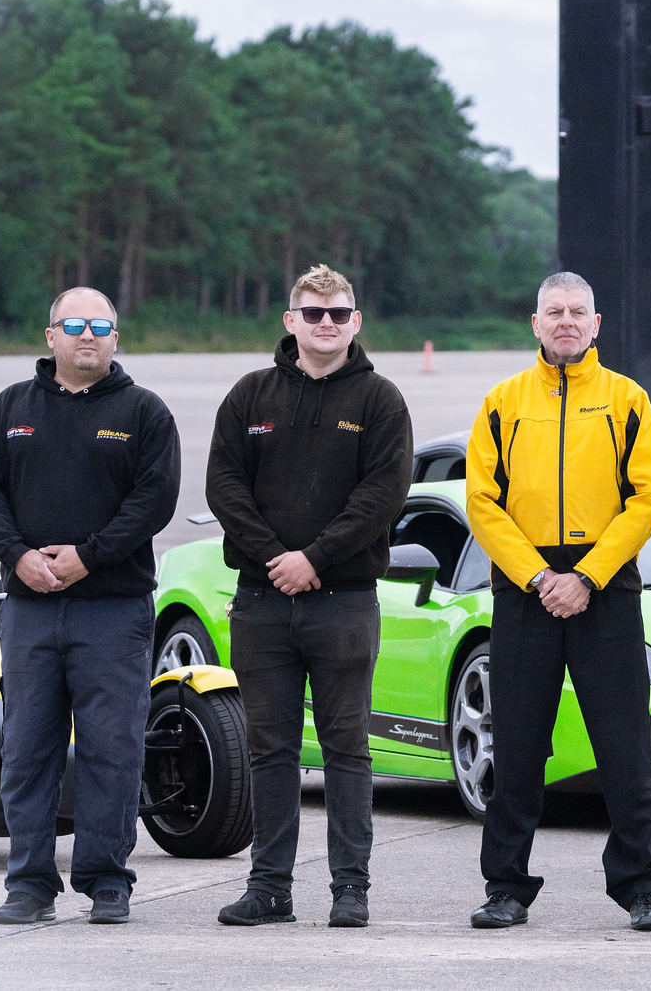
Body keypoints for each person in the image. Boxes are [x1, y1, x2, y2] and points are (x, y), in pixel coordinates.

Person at [0, 287, 181, 926]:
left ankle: (106, 878)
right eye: (75, 325)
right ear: (50, 335)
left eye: (101, 326)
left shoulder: (144, 412)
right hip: (29, 609)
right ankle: (29, 885)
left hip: (112, 611)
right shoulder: (10, 409)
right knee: (28, 746)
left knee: (111, 748)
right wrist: (18, 556)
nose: (88, 336)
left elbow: (154, 500)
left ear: (116, 337)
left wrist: (90, 555)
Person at [206, 265, 411, 929]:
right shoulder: (248, 396)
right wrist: (276, 559)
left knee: (347, 746)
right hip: (262, 603)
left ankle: (351, 889)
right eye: (313, 313)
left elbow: (382, 495)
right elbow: (224, 486)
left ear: (357, 322)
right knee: (270, 749)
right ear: (290, 320)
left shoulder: (380, 401)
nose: (327, 324)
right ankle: (269, 888)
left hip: (344, 602)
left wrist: (314, 559)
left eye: (339, 313)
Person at [464, 271, 651, 932]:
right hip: (526, 592)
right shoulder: (502, 401)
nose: (565, 321)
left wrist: (586, 574)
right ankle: (506, 887)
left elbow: (644, 500)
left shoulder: (627, 399)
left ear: (596, 323)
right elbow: (482, 504)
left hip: (605, 588)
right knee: (518, 745)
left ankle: (641, 885)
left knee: (624, 746)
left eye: (577, 310)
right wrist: (535, 576)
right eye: (553, 311)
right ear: (535, 323)